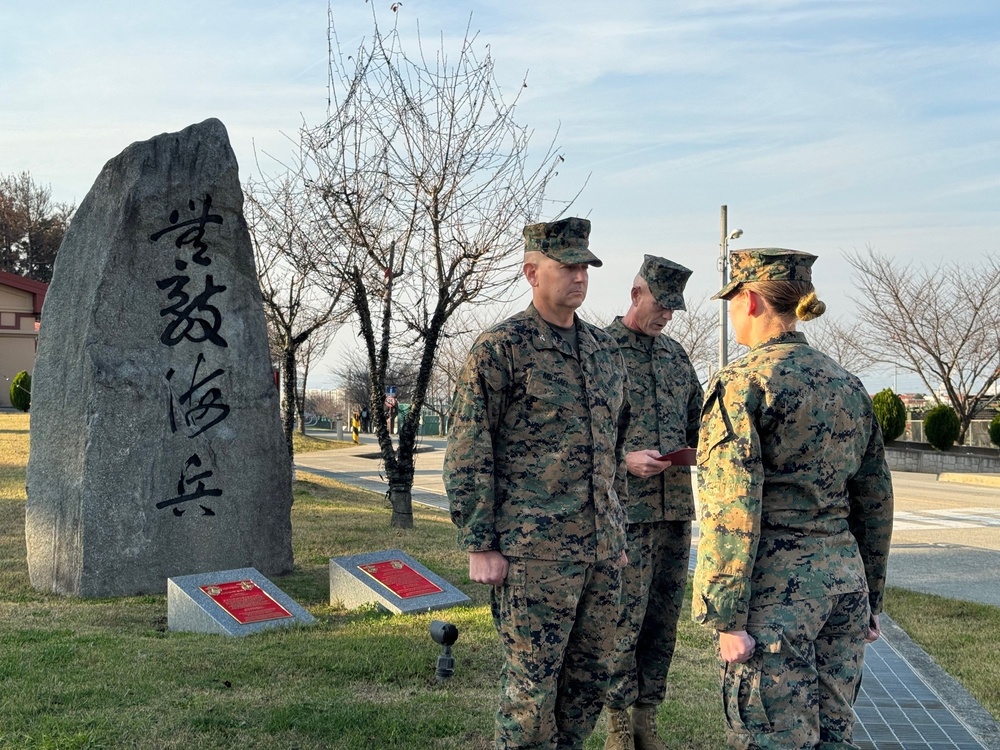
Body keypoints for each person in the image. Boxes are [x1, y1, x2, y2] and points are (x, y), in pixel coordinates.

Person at [692, 248, 894, 750]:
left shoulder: (741, 384)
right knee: (833, 736)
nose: (732, 312)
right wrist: (870, 598)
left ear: (754, 301)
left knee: (769, 738)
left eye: (734, 300)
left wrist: (727, 615)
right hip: (843, 585)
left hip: (775, 595)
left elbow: (731, 506)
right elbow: (875, 499)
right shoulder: (847, 384)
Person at [444, 217, 631, 750]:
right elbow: (468, 450)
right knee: (532, 689)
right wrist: (481, 544)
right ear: (531, 271)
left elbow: (612, 453)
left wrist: (614, 536)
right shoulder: (502, 348)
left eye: (585, 266)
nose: (580, 276)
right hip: (533, 554)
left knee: (589, 680)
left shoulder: (603, 351)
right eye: (567, 265)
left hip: (599, 551)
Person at [602, 256, 703, 750]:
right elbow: (579, 434)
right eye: (661, 305)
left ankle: (647, 719)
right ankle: (617, 723)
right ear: (636, 293)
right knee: (623, 617)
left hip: (674, 511)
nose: (666, 316)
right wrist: (623, 459)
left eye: (673, 309)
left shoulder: (676, 357)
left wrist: (699, 449)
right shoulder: (600, 350)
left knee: (663, 619)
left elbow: (697, 422)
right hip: (624, 514)